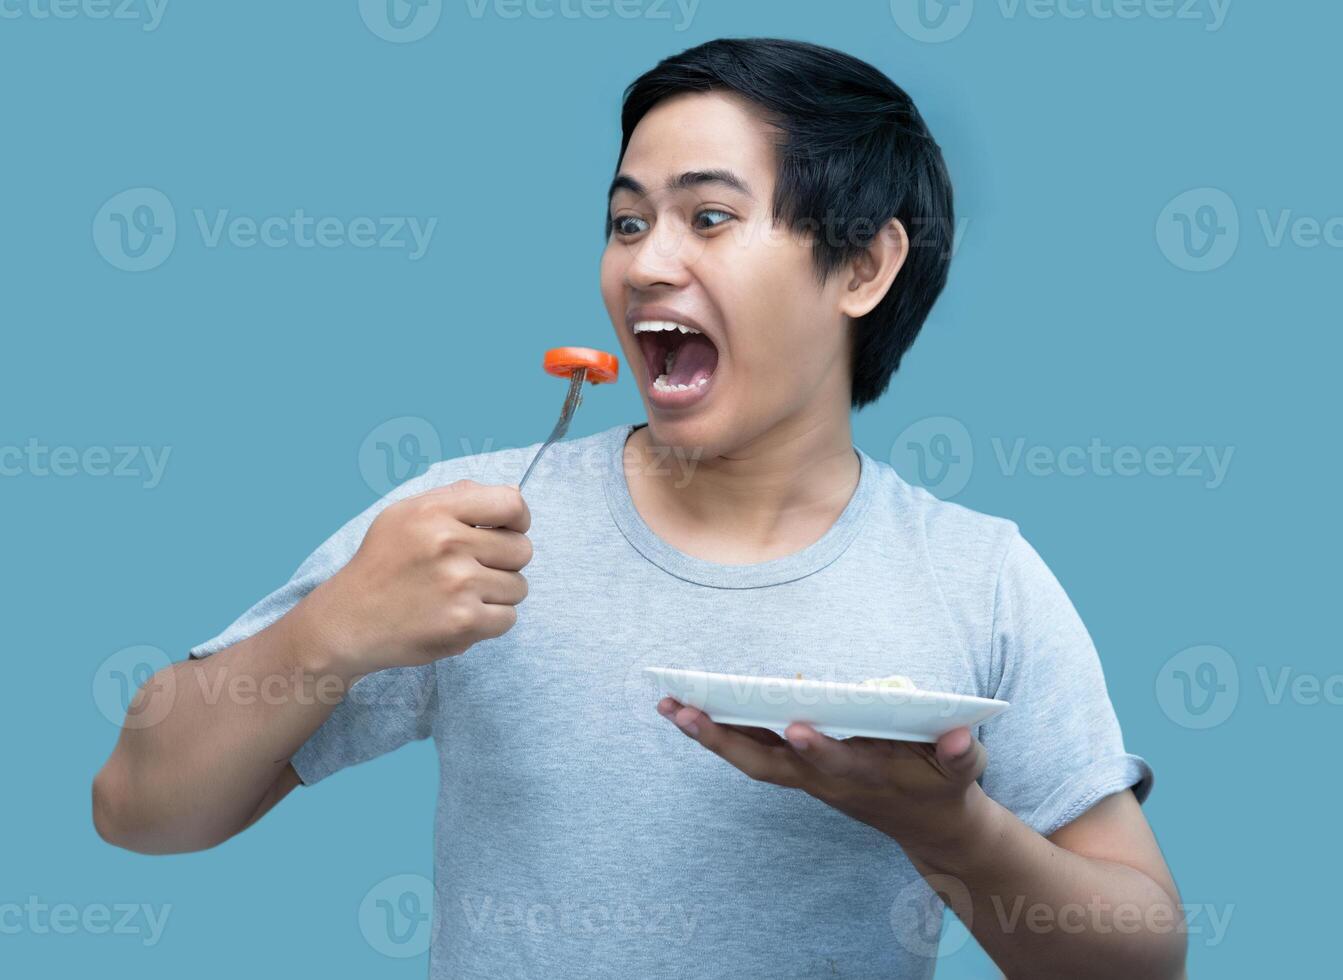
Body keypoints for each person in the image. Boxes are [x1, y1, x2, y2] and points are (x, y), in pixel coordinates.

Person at [92, 38, 1185, 979]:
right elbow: (138, 806)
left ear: (861, 264)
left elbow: (1142, 955)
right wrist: (329, 630)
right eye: (626, 221)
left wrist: (948, 827)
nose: (646, 264)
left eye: (709, 216)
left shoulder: (975, 574)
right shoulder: (474, 524)